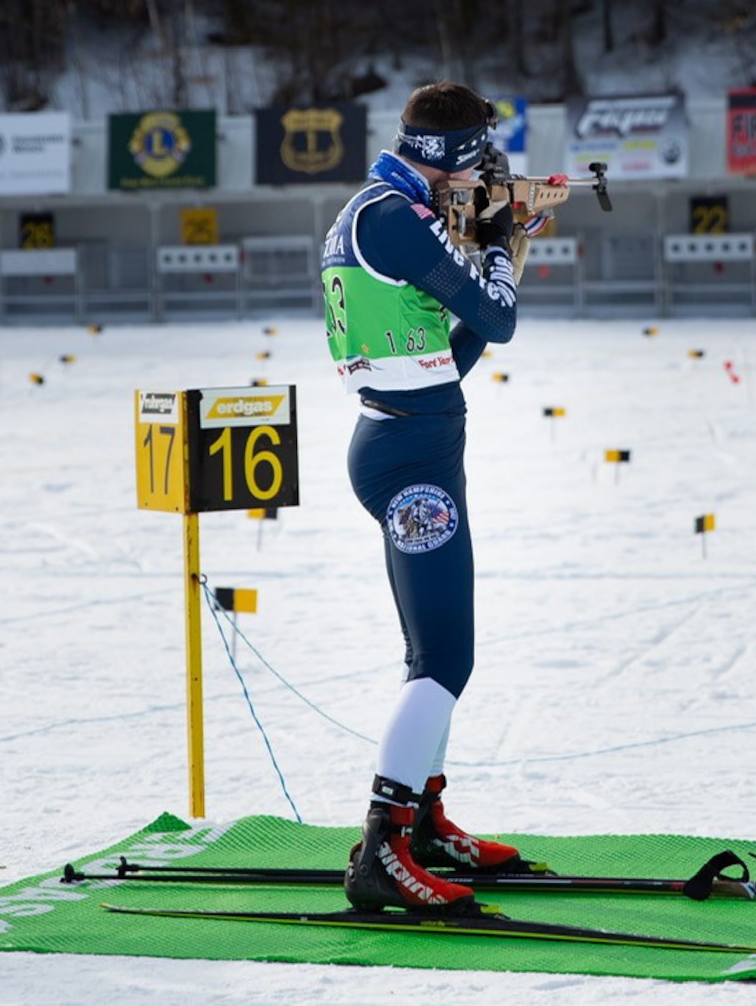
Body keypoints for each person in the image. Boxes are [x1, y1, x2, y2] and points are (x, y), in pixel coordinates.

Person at [320, 80, 538, 915]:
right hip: (410, 456)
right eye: (478, 157)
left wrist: (500, 244)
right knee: (445, 660)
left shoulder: (384, 210)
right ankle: (381, 849)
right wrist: (493, 238)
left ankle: (423, 818)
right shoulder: (393, 219)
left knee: (437, 656)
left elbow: (457, 348)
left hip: (415, 438)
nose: (482, 171)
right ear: (450, 156)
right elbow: (499, 317)